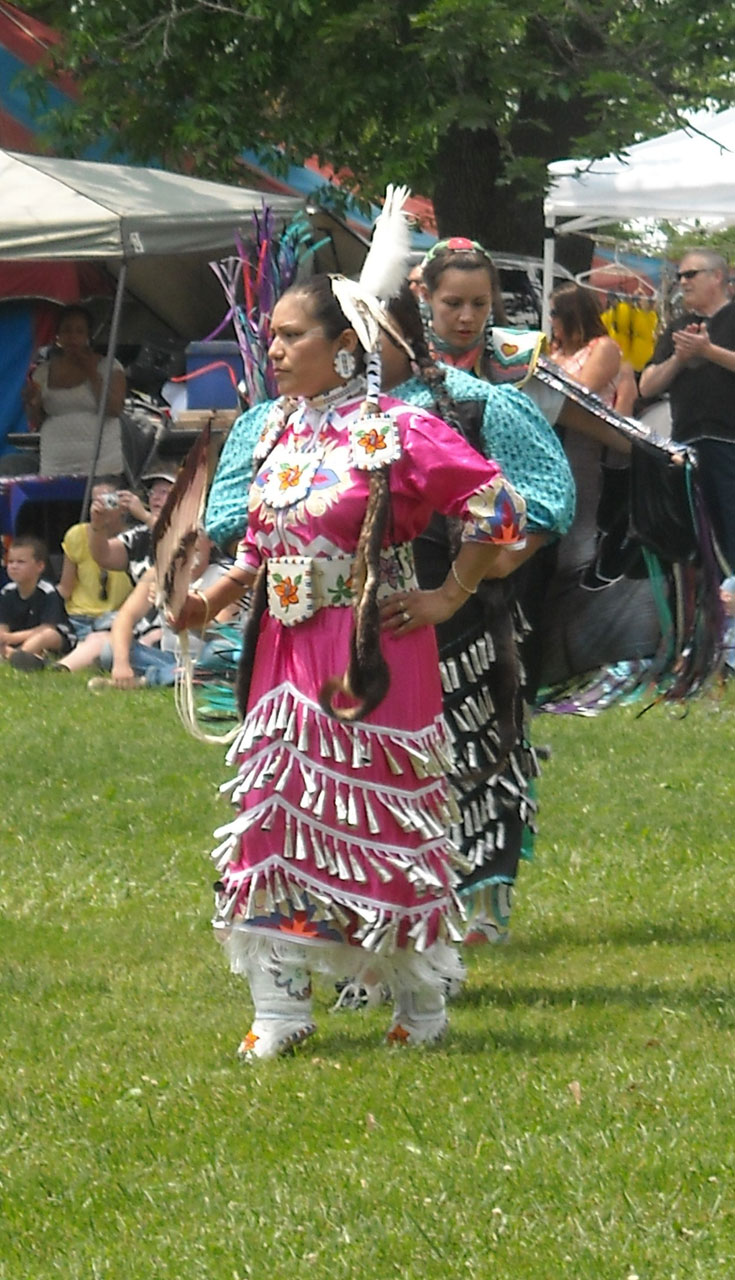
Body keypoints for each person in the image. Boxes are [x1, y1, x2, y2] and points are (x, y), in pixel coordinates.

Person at [174, 273, 527, 1060]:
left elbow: (499, 510)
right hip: (284, 655)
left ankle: (420, 1007)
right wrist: (207, 599)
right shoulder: (277, 432)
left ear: (342, 348)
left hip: (373, 658)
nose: (273, 348)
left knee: (383, 828)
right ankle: (280, 1010)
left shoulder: (398, 427)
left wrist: (448, 593)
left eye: (291, 335)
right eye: (270, 335)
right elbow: (260, 550)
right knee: (273, 820)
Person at [379, 284, 574, 944]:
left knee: (481, 744)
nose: (464, 316)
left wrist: (501, 562)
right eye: (452, 303)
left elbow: (542, 493)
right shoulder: (345, 416)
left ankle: (481, 898)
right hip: (378, 618)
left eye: (477, 303)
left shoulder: (483, 402)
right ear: (425, 304)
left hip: (469, 614)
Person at [639, 249, 735, 572]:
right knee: (696, 542)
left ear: (717, 277)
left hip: (728, 442)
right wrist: (679, 358)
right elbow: (647, 385)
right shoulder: (679, 326)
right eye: (679, 276)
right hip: (684, 447)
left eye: (690, 274)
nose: (682, 282)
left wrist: (709, 351)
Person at [88, 533, 240, 690]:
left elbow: (222, 632)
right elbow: (125, 617)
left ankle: (151, 680)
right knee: (110, 651)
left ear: (211, 541)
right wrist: (121, 665)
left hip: (207, 656)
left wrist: (179, 610)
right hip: (169, 658)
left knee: (221, 652)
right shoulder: (157, 574)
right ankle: (186, 677)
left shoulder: (228, 576)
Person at [22, 304, 127, 478]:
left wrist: (92, 373)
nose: (72, 337)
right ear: (58, 336)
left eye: (79, 331)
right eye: (67, 330)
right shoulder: (43, 371)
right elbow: (37, 420)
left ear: (88, 336)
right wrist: (32, 403)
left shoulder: (109, 366)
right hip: (55, 464)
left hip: (101, 465)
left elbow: (114, 409)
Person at [58, 480, 134, 644]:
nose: (100, 508)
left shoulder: (135, 539)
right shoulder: (76, 534)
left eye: (107, 501)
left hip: (114, 619)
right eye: (95, 502)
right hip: (77, 617)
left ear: (122, 506)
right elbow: (65, 587)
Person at [0, 536, 76, 670]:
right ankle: (19, 655)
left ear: (39, 566)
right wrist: (3, 638)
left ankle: (19, 657)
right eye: (10, 562)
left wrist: (11, 638)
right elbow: (3, 625)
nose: (14, 566)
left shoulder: (48, 592)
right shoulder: (7, 592)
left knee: (46, 636)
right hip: (19, 639)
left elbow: (47, 628)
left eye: (21, 562)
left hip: (56, 637)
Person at [547, 282, 622, 405]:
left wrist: (549, 367)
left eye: (554, 314)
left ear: (571, 315)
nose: (550, 320)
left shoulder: (603, 347)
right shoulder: (557, 351)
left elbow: (583, 392)